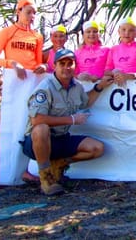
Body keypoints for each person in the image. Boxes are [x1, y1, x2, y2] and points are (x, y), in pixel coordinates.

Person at [22, 48, 111, 195]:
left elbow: (85, 101)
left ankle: (59, 164)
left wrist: (99, 86)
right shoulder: (45, 88)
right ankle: (46, 177)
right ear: (55, 65)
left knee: (97, 148)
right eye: (62, 63)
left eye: (70, 63)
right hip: (38, 142)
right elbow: (36, 119)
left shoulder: (76, 86)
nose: (66, 67)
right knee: (41, 128)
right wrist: (71, 119)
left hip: (61, 139)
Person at [0, 0, 47, 192]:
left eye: (34, 13)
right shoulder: (7, 32)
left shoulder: (37, 36)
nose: (32, 16)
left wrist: (42, 66)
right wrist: (11, 63)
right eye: (28, 12)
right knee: (10, 126)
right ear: (19, 11)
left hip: (31, 83)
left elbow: (37, 62)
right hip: (14, 83)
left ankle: (24, 169)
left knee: (27, 125)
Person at [105, 17, 136, 85]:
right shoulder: (113, 49)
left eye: (131, 30)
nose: (127, 33)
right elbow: (106, 71)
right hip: (117, 88)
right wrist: (115, 74)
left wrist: (128, 76)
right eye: (123, 30)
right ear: (119, 32)